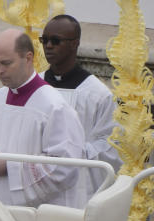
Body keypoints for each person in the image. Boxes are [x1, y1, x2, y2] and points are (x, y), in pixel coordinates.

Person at [0, 28, 87, 209]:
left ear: (28, 58)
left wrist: (10, 166)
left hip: (43, 212)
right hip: (0, 205)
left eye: (6, 63)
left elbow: (65, 165)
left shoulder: (54, 106)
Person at [41, 14, 121, 196]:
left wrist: (73, 153)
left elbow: (110, 145)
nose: (48, 46)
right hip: (38, 180)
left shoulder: (98, 94)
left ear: (74, 43)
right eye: (44, 40)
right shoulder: (34, 86)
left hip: (77, 186)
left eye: (55, 40)